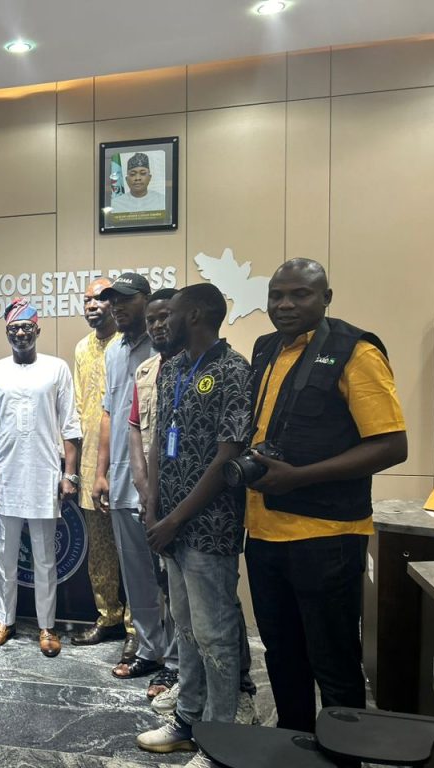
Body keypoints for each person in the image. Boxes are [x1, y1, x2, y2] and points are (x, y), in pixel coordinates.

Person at [244, 258, 407, 733]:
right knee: (282, 654)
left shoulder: (356, 351)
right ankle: (293, 744)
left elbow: (391, 446)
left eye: (300, 294)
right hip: (264, 533)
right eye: (276, 295)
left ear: (326, 298)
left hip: (328, 536)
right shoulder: (266, 347)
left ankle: (343, 754)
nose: (285, 304)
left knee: (333, 661)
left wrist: (300, 477)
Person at [131, 290, 262, 722]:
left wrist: (174, 519)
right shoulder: (173, 369)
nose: (161, 323)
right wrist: (153, 507)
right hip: (169, 525)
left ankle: (221, 731)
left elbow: (228, 457)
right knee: (185, 629)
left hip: (209, 526)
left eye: (170, 314)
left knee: (214, 634)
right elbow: (157, 443)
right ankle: (187, 717)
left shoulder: (233, 370)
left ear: (195, 315)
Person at [0, 299, 82, 658]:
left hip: (43, 475)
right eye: (14, 328)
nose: (20, 333)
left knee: (45, 557)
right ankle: (3, 621)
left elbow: (70, 425)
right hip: (5, 476)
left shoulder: (56, 368)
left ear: (37, 330)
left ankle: (47, 626)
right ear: (6, 332)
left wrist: (69, 475)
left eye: (26, 327)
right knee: (5, 556)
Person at [94, 273, 178, 682]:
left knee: (172, 577)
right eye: (114, 300)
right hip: (124, 479)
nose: (118, 306)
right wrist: (101, 472)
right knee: (136, 574)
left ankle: (177, 662)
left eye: (126, 299)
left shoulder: (168, 346)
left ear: (146, 300)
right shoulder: (114, 351)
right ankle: (149, 649)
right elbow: (110, 413)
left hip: (165, 482)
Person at [70, 277, 133, 656]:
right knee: (101, 550)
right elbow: (79, 407)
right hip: (91, 464)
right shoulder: (82, 348)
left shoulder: (130, 344)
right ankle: (108, 616)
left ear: (114, 304)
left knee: (134, 552)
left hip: (127, 465)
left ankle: (137, 629)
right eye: (87, 300)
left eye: (100, 299)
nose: (93, 306)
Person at [126, 288, 183, 702]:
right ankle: (149, 650)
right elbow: (134, 428)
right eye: (152, 320)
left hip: (182, 499)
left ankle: (177, 664)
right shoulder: (145, 371)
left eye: (165, 317)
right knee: (143, 579)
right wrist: (143, 485)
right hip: (145, 493)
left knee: (178, 586)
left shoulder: (196, 368)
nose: (158, 325)